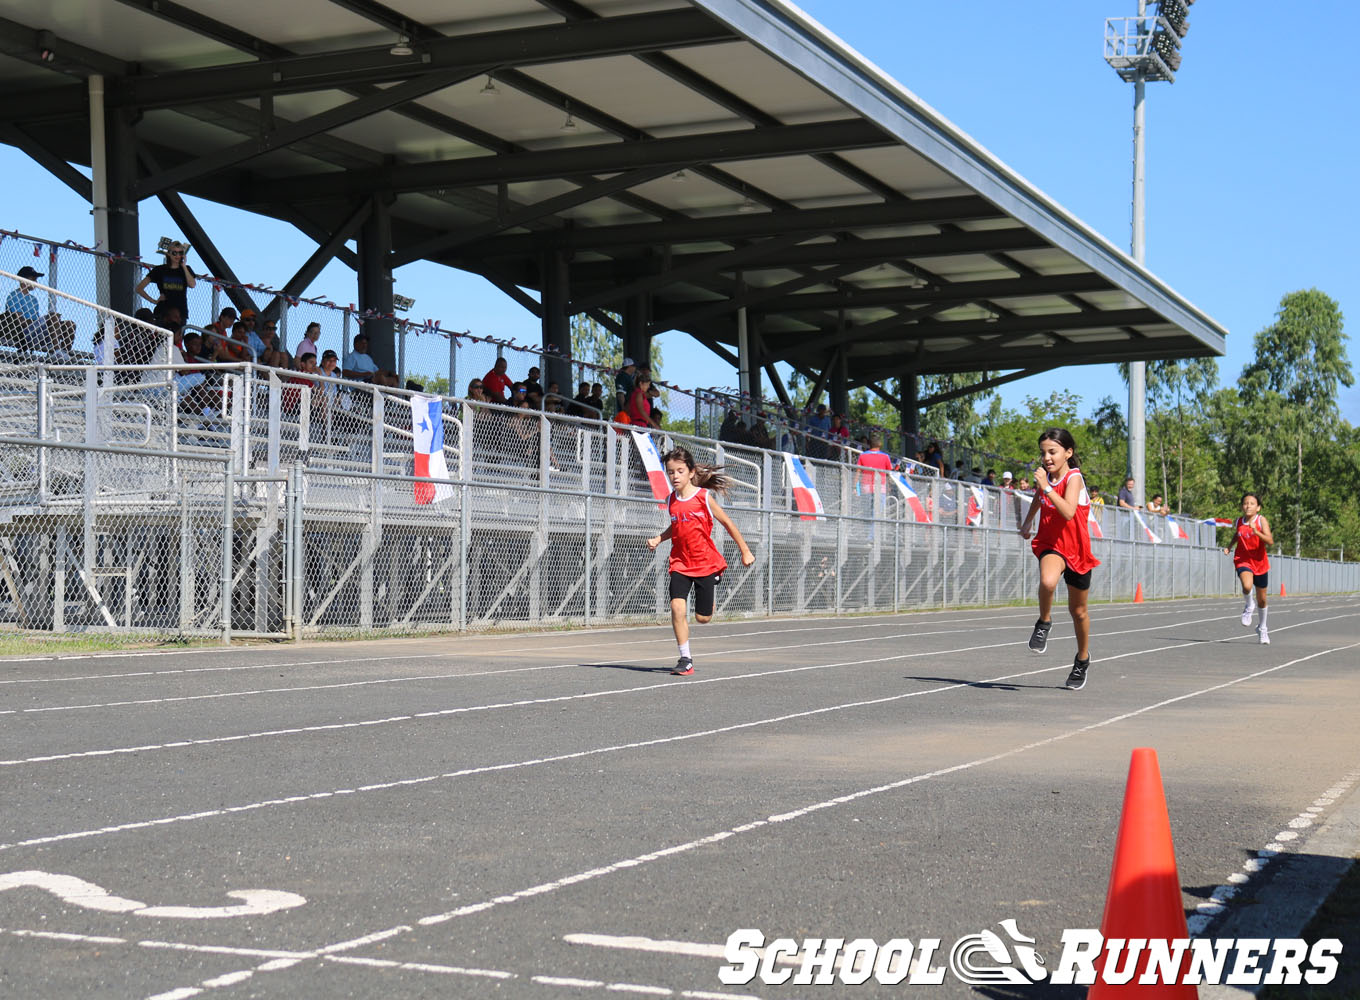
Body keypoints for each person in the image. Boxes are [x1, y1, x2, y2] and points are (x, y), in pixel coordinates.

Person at [645, 448, 755, 676]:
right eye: (670, 472)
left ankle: (714, 582)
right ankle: (685, 659)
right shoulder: (671, 500)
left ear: (691, 472)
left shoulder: (703, 497)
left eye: (680, 471)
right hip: (680, 562)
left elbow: (727, 523)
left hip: (705, 562)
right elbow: (676, 526)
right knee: (677, 606)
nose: (675, 476)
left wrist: (745, 551)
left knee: (703, 618)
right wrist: (659, 538)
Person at [1017, 427, 1100, 690]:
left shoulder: (1074, 478)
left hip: (1077, 549)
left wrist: (1045, 487)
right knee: (1048, 582)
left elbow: (1067, 511)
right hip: (1052, 544)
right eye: (1043, 453)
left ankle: (1082, 659)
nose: (1047, 458)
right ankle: (1044, 621)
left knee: (1078, 612)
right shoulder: (1046, 480)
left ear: (1068, 452)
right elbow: (1038, 499)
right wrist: (1027, 523)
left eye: (1052, 452)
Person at [1226, 492, 1274, 644]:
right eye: (1245, 503)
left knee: (1262, 599)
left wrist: (1256, 532)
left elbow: (1270, 541)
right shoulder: (1239, 521)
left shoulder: (1261, 521)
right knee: (1247, 586)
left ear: (1258, 508)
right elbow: (1237, 534)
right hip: (1243, 559)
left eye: (1252, 503)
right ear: (1242, 506)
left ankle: (1262, 628)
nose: (1248, 506)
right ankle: (1248, 605)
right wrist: (1229, 546)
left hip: (1259, 562)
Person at [135, 242, 196, 322]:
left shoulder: (186, 269)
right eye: (174, 253)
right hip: (163, 312)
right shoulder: (159, 270)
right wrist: (154, 301)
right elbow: (139, 288)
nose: (177, 256)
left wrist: (184, 266)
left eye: (180, 253)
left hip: (180, 313)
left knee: (177, 333)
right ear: (168, 254)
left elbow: (192, 284)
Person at [855, 433, 894, 516]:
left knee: (866, 513)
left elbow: (858, 472)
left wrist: (855, 487)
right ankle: (873, 529)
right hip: (880, 487)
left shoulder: (863, 455)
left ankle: (868, 528)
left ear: (870, 444)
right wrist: (889, 485)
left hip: (866, 487)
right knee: (878, 513)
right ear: (880, 444)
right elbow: (889, 474)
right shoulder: (885, 456)